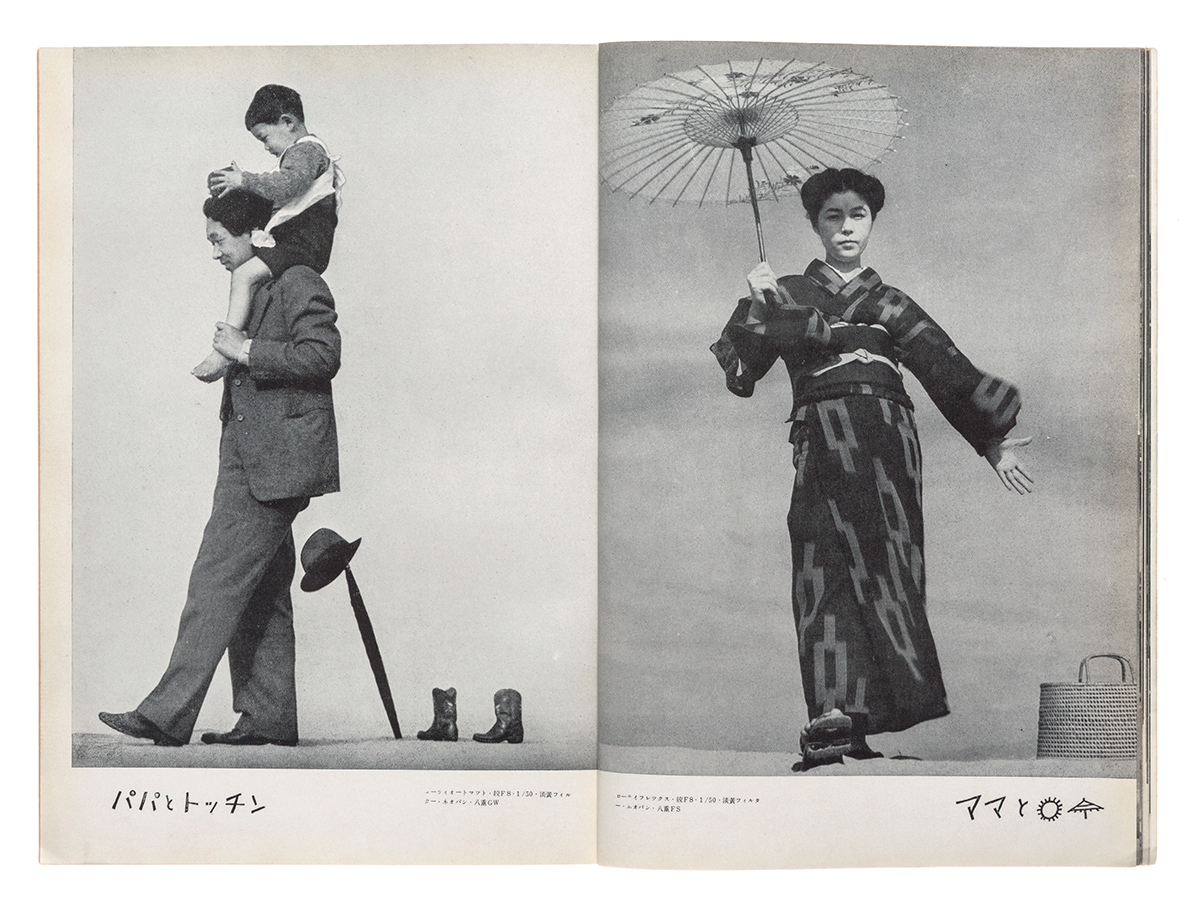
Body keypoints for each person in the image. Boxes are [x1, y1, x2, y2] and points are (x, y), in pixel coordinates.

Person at [710, 168, 1033, 771]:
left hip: (888, 444)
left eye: (858, 214)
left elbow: (945, 368)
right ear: (814, 224)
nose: (846, 227)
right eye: (833, 216)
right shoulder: (784, 292)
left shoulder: (891, 302)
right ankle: (833, 713)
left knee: (889, 566)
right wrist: (758, 308)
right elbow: (742, 373)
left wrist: (994, 441)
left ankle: (867, 716)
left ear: (872, 221)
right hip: (822, 435)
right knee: (820, 562)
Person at [100, 188, 342, 747]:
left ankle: (165, 714)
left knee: (214, 581)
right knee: (263, 591)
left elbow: (323, 357)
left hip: (273, 465)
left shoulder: (298, 279)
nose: (213, 252)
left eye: (217, 240)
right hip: (252, 459)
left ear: (254, 234)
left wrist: (245, 350)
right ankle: (271, 719)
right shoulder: (259, 285)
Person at [193, 84, 344, 382]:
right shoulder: (306, 154)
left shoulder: (306, 151)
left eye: (264, 137)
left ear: (288, 122)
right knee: (249, 277)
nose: (265, 147)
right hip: (301, 241)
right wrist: (240, 183)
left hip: (301, 243)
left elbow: (287, 185)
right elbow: (282, 193)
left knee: (244, 275)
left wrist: (245, 180)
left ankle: (225, 350)